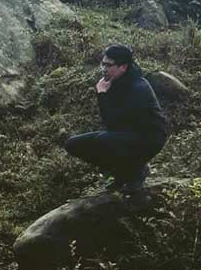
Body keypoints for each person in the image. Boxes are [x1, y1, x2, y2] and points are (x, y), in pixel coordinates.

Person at [63, 43, 166, 194]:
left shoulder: (138, 87)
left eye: (109, 65)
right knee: (72, 144)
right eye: (103, 64)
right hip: (128, 134)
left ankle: (135, 171)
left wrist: (102, 94)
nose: (104, 69)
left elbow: (112, 124)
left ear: (123, 67)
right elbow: (113, 121)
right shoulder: (115, 81)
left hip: (150, 139)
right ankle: (124, 172)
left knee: (103, 140)